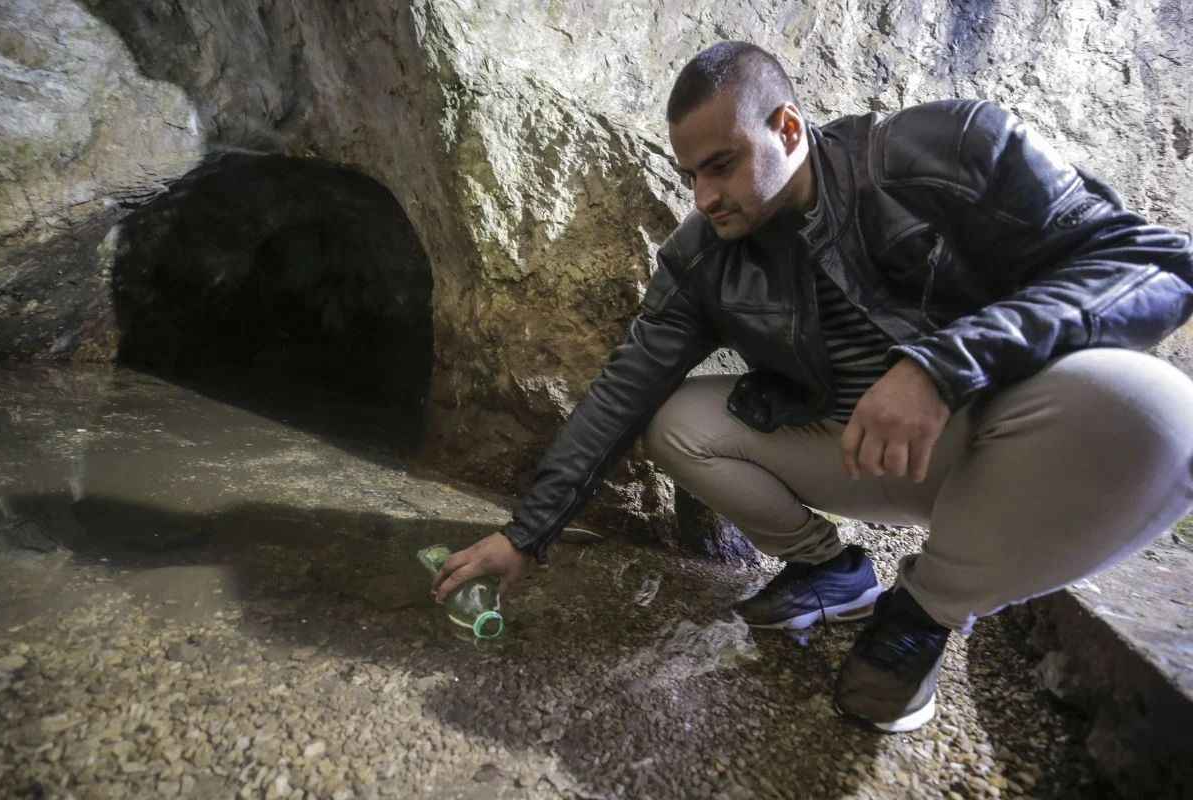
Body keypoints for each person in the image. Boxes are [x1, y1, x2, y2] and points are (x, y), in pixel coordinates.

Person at [432, 41, 1193, 732]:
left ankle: (923, 613)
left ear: (789, 129)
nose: (703, 197)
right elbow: (620, 392)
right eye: (691, 175)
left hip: (994, 432)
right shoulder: (702, 257)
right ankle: (831, 573)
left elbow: (1154, 264)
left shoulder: (945, 147)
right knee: (672, 419)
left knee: (1161, 411)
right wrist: (525, 536)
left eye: (721, 165)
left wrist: (942, 365)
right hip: (858, 451)